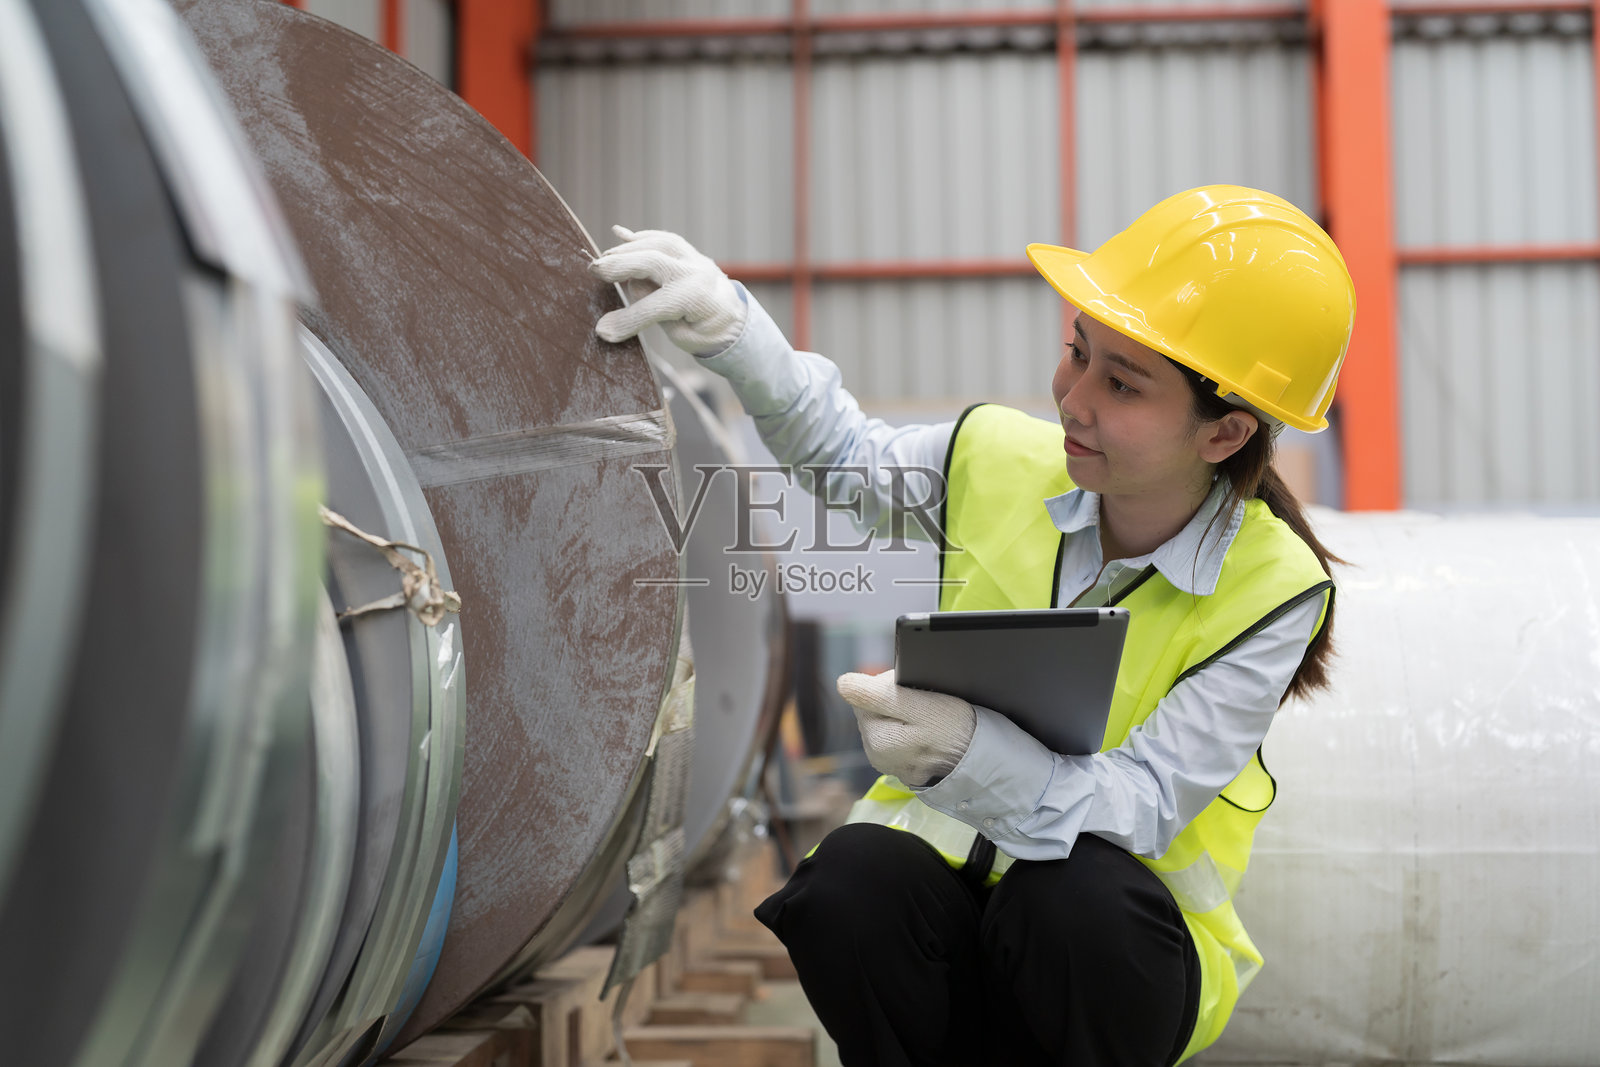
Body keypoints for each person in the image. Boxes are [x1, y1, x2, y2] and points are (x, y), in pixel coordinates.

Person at [590, 186, 1353, 1067]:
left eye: (1122, 383)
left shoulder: (1273, 591)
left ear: (1224, 433)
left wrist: (968, 749)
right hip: (949, 920)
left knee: (1072, 896)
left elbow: (1142, 806)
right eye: (1077, 353)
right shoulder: (996, 458)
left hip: (1105, 969)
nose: (1073, 398)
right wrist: (735, 331)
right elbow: (844, 458)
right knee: (847, 882)